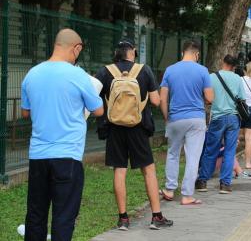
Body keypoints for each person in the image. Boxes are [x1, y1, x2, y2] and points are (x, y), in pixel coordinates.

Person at [21, 29, 104, 240]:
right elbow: (98, 110)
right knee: (64, 216)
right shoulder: (78, 75)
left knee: (36, 214)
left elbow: (25, 112)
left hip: (38, 156)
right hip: (68, 156)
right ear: (76, 48)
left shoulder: (32, 74)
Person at [96, 38, 173, 230]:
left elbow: (94, 98)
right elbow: (155, 101)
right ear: (133, 52)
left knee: (119, 171)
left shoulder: (105, 71)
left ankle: (123, 219)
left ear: (117, 52)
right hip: (138, 127)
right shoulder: (143, 70)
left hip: (114, 128)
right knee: (148, 170)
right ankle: (156, 217)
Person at [160, 40, 213, 205]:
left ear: (182, 52)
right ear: (197, 54)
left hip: (175, 118)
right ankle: (187, 195)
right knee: (193, 156)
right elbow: (210, 98)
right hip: (196, 119)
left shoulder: (170, 70)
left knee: (173, 153)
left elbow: (162, 98)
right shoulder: (203, 71)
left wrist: (166, 117)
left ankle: (169, 189)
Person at [195, 55, 244, 194]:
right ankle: (225, 184)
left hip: (217, 117)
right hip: (234, 118)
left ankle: (203, 181)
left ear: (223, 62)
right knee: (229, 151)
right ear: (234, 66)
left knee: (211, 149)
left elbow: (207, 98)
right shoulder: (238, 79)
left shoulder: (212, 77)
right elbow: (242, 99)